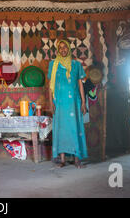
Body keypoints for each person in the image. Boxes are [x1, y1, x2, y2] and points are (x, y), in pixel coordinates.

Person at [47, 39, 88, 168]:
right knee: (61, 129)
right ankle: (63, 159)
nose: (63, 50)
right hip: (59, 102)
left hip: (74, 103)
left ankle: (77, 159)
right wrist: (50, 103)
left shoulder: (76, 65)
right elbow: (50, 85)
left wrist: (83, 102)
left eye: (65, 47)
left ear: (69, 49)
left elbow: (80, 83)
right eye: (61, 48)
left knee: (75, 128)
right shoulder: (53, 64)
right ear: (58, 50)